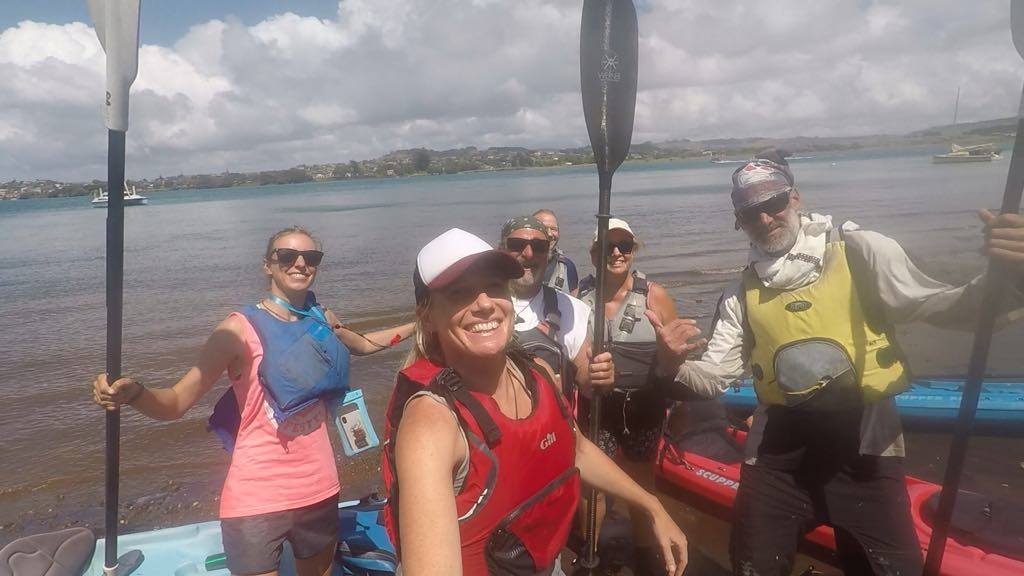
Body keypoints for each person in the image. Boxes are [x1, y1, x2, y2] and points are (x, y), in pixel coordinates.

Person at [651, 150, 1024, 576]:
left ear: (795, 199)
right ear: (740, 222)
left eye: (773, 204)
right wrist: (670, 364)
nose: (766, 219)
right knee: (752, 566)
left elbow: (946, 308)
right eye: (751, 213)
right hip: (777, 458)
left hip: (868, 450)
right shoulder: (741, 292)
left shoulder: (862, 251)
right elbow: (712, 378)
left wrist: (1011, 278)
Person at [93, 226, 414, 576]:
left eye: (311, 258)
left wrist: (420, 326)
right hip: (256, 498)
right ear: (268, 265)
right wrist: (135, 393)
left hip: (320, 487)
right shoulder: (236, 330)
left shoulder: (322, 316)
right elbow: (175, 404)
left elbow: (364, 345)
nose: (300, 264)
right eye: (288, 256)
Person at [379, 228, 689, 576]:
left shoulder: (536, 373)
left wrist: (651, 505)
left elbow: (576, 448)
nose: (484, 304)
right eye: (459, 293)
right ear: (428, 317)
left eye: (495, 286)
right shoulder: (431, 423)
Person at [576, 218, 697, 574]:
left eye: (624, 246)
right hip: (598, 406)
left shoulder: (654, 295)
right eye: (607, 247)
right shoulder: (580, 298)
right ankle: (589, 552)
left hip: (644, 406)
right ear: (594, 253)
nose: (616, 253)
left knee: (642, 481)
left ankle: (646, 554)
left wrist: (672, 356)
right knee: (592, 488)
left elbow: (673, 362)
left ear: (634, 250)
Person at [500, 215, 595, 406]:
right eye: (517, 244)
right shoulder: (481, 307)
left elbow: (589, 387)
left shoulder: (571, 309)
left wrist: (600, 376)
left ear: (548, 254)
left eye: (539, 246)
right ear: (500, 250)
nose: (528, 253)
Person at [534, 209, 580, 296]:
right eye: (544, 228)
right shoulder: (516, 267)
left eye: (553, 229)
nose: (550, 234)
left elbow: (574, 300)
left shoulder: (568, 267)